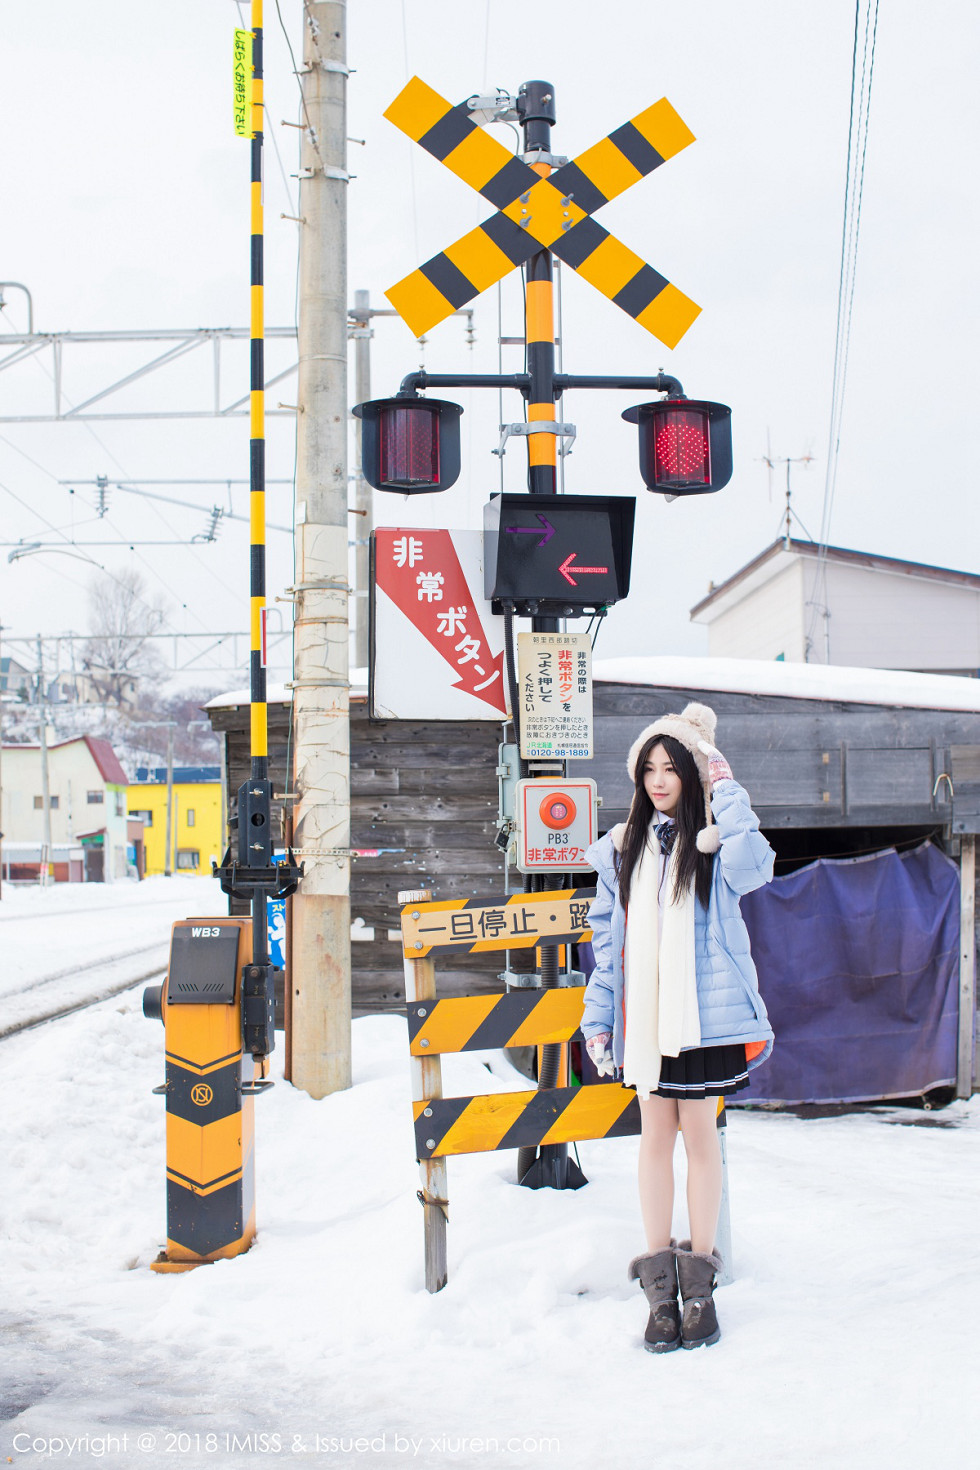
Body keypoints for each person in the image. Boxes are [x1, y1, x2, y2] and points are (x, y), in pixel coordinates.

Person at [582, 702, 774, 1353]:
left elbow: (761, 864)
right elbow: (608, 950)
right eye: (649, 768)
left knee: (701, 1138)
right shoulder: (620, 850)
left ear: (693, 775)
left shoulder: (719, 846)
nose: (660, 779)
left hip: (705, 1021)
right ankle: (660, 1293)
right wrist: (597, 1021)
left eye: (674, 767)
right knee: (653, 1138)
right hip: (645, 1022)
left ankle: (701, 1288)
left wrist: (724, 782)